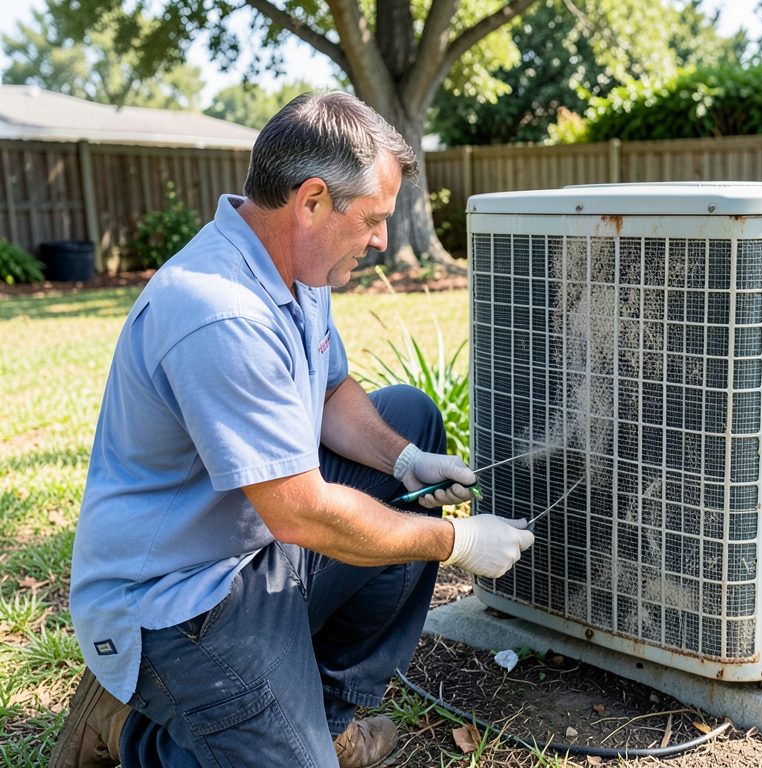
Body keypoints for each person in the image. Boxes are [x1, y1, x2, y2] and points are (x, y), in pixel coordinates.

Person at [52, 91, 534, 768]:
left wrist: (403, 460)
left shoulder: (298, 267)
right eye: (371, 220)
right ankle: (132, 730)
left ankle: (325, 716)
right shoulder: (220, 313)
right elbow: (301, 514)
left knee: (409, 413)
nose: (380, 241)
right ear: (311, 201)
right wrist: (456, 542)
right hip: (178, 601)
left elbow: (332, 387)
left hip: (253, 544)